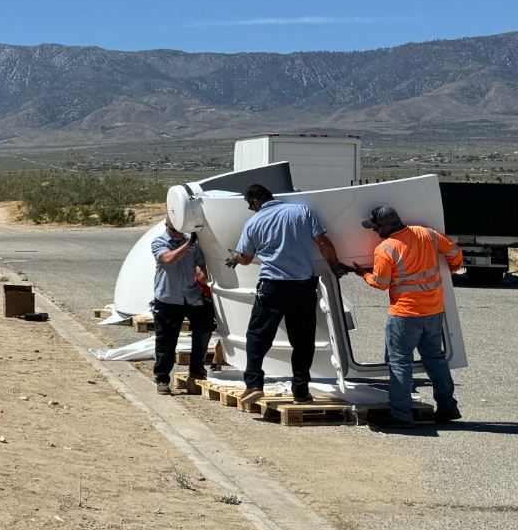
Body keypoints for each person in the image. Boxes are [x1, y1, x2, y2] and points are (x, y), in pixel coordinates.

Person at [229, 183, 345, 406]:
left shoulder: (253, 222)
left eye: (250, 206)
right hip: (302, 287)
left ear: (255, 202)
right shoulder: (301, 211)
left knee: (258, 337)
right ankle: (300, 390)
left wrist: (235, 257)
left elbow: (244, 257)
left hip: (272, 287)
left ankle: (253, 384)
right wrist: (335, 265)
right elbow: (323, 242)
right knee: (303, 342)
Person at [349, 205, 464, 428]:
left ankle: (401, 414)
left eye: (376, 228)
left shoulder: (386, 248)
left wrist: (362, 273)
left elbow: (381, 284)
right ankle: (448, 407)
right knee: (435, 359)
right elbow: (454, 252)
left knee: (400, 362)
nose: (374, 231)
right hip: (433, 311)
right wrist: (453, 268)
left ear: (389, 225)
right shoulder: (427, 234)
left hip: (405, 315)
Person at [149, 216, 212, 395]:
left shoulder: (193, 245)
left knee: (205, 330)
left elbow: (201, 267)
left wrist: (210, 283)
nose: (177, 233)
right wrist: (187, 245)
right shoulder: (159, 242)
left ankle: (196, 369)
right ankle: (162, 379)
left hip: (191, 297)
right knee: (166, 341)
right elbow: (168, 259)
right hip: (168, 299)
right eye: (173, 229)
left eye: (179, 229)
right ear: (167, 226)